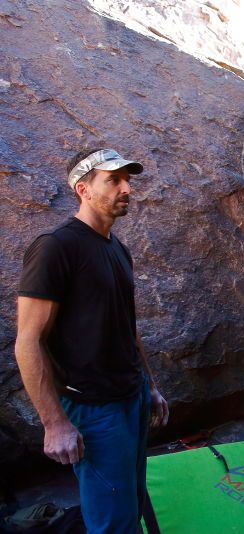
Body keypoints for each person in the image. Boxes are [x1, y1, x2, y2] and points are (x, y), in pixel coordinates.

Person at [15, 148, 169, 533]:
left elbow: (127, 325)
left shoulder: (118, 249)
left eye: (127, 180)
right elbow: (28, 342)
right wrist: (55, 423)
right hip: (93, 409)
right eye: (113, 179)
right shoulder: (56, 247)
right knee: (111, 519)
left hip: (130, 398)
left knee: (130, 499)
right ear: (83, 189)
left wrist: (149, 385)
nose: (126, 188)